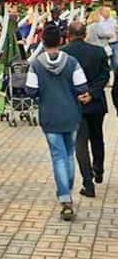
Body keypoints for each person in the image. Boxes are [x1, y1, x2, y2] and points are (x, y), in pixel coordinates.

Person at [26, 25, 91, 221]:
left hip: (49, 116)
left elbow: (30, 90)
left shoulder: (36, 65)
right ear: (62, 41)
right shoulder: (72, 62)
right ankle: (67, 190)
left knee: (58, 156)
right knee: (69, 153)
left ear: (42, 42)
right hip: (71, 115)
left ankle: (65, 197)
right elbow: (82, 87)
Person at [63, 21, 110, 198]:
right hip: (96, 102)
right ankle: (98, 168)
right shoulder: (98, 51)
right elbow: (105, 75)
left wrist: (78, 94)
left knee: (80, 143)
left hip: (75, 103)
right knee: (97, 136)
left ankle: (88, 183)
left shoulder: (64, 53)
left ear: (69, 34)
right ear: (85, 34)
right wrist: (92, 93)